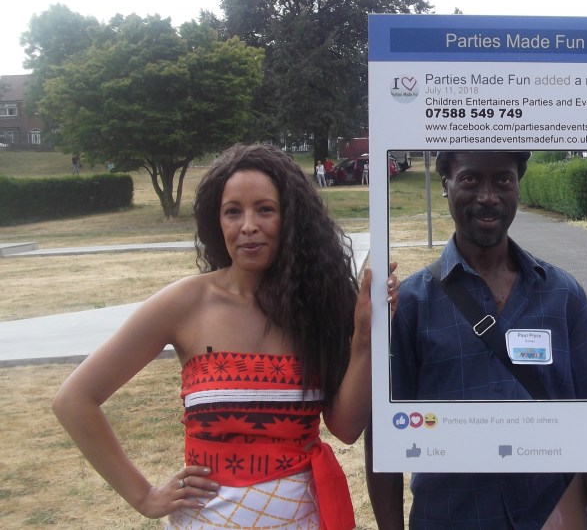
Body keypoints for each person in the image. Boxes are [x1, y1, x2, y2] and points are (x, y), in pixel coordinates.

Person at [52, 144, 398, 529]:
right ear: (216, 221)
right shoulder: (185, 303)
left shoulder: (318, 307)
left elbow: (346, 428)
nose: (248, 225)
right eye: (233, 211)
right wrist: (144, 496)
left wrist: (364, 340)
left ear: (291, 218)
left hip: (303, 518)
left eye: (265, 209)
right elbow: (74, 400)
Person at [384, 149, 587, 530]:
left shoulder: (563, 295)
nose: (488, 196)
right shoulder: (411, 306)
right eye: (470, 179)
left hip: (553, 518)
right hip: (449, 519)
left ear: (518, 186)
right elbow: (383, 436)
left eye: (503, 180)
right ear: (445, 184)